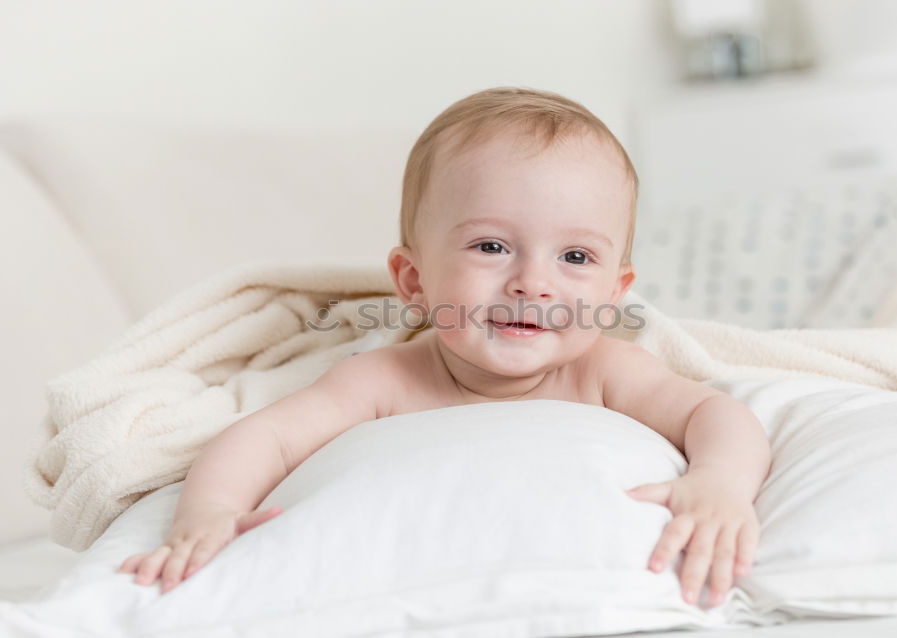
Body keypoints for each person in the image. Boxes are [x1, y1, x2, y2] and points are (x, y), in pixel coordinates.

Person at [118, 87, 772, 609]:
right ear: (414, 280)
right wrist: (209, 512)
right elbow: (267, 438)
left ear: (614, 290)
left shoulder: (605, 372)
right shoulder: (384, 380)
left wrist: (719, 482)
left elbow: (716, 415)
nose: (533, 283)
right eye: (491, 247)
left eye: (575, 256)